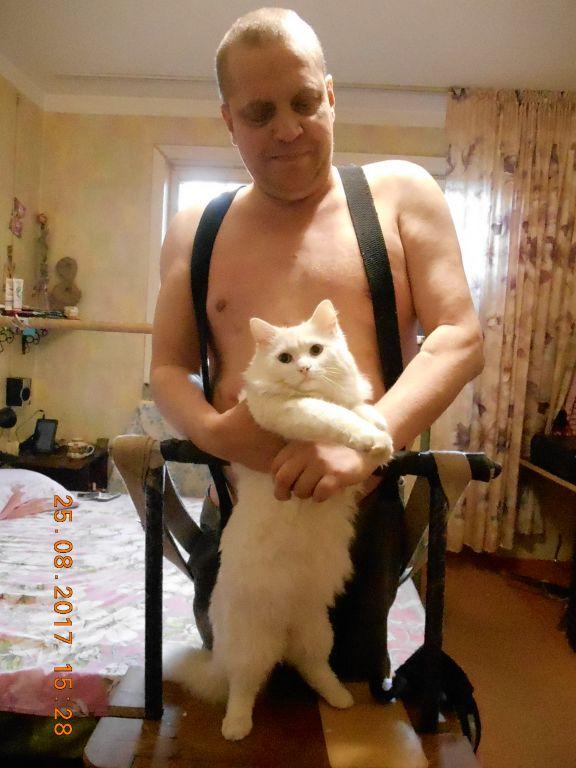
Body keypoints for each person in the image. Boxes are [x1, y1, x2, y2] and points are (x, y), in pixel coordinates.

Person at [150, 7, 483, 678]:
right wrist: (214, 433)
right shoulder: (195, 229)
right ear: (229, 120)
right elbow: (168, 368)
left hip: (355, 524)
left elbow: (459, 336)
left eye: (304, 102)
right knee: (236, 689)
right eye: (260, 113)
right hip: (239, 514)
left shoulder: (401, 195)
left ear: (331, 95)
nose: (288, 129)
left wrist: (360, 441)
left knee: (348, 699)